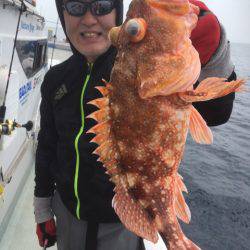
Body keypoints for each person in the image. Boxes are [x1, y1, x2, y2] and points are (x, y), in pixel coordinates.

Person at [33, 0, 237, 249]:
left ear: (118, 14)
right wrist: (42, 209)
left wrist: (214, 54)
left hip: (119, 225)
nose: (89, 19)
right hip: (66, 213)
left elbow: (217, 112)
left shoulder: (140, 66)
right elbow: (46, 146)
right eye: (76, 6)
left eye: (101, 5)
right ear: (62, 14)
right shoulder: (55, 79)